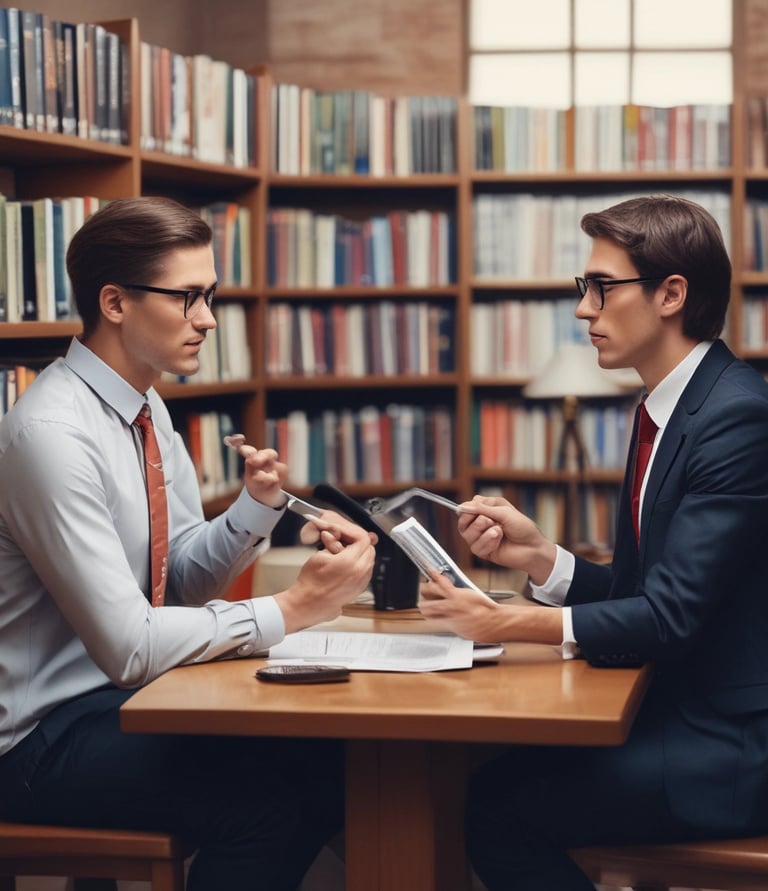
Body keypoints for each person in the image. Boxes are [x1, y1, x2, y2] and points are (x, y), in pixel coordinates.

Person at [0, 196, 377, 891]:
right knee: (269, 801)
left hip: (120, 699)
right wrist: (294, 607)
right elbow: (131, 644)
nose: (207, 318)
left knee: (331, 764)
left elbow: (174, 581)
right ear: (114, 302)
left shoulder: (146, 407)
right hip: (38, 739)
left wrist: (254, 510)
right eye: (188, 297)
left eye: (210, 295)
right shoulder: (51, 435)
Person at [419, 194, 768, 890]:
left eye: (601, 287)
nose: (584, 308)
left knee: (494, 809)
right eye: (586, 288)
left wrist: (508, 619)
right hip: (674, 708)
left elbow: (667, 618)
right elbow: (653, 593)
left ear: (672, 294)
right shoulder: (667, 406)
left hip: (725, 746)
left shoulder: (735, 417)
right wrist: (541, 558)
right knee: (482, 775)